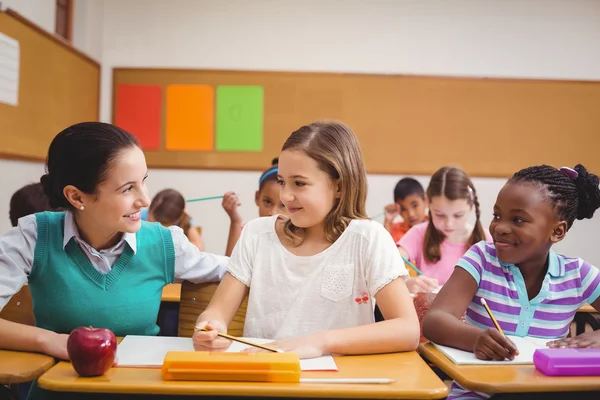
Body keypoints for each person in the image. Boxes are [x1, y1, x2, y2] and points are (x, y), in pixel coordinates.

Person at [0, 122, 229, 399]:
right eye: (127, 189)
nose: (144, 200)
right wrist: (50, 341)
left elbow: (238, 269)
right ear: (76, 196)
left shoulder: (164, 243)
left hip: (141, 391)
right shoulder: (35, 237)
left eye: (144, 181)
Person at [193, 121, 419, 358]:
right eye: (282, 182)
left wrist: (322, 341)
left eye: (299, 183)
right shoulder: (256, 235)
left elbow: (407, 329)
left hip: (340, 384)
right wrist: (210, 327)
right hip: (268, 380)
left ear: (339, 186)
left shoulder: (368, 239)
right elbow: (216, 313)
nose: (285, 195)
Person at [423, 164, 600, 400]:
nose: (500, 228)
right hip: (476, 394)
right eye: (497, 216)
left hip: (544, 393)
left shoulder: (577, 274)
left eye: (518, 219)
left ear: (557, 232)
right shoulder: (482, 258)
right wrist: (474, 339)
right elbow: (434, 321)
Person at [399, 166, 490, 293]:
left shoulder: (487, 241)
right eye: (439, 215)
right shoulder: (419, 234)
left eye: (458, 215)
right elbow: (388, 266)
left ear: (471, 205)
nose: (449, 224)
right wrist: (405, 283)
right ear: (428, 203)